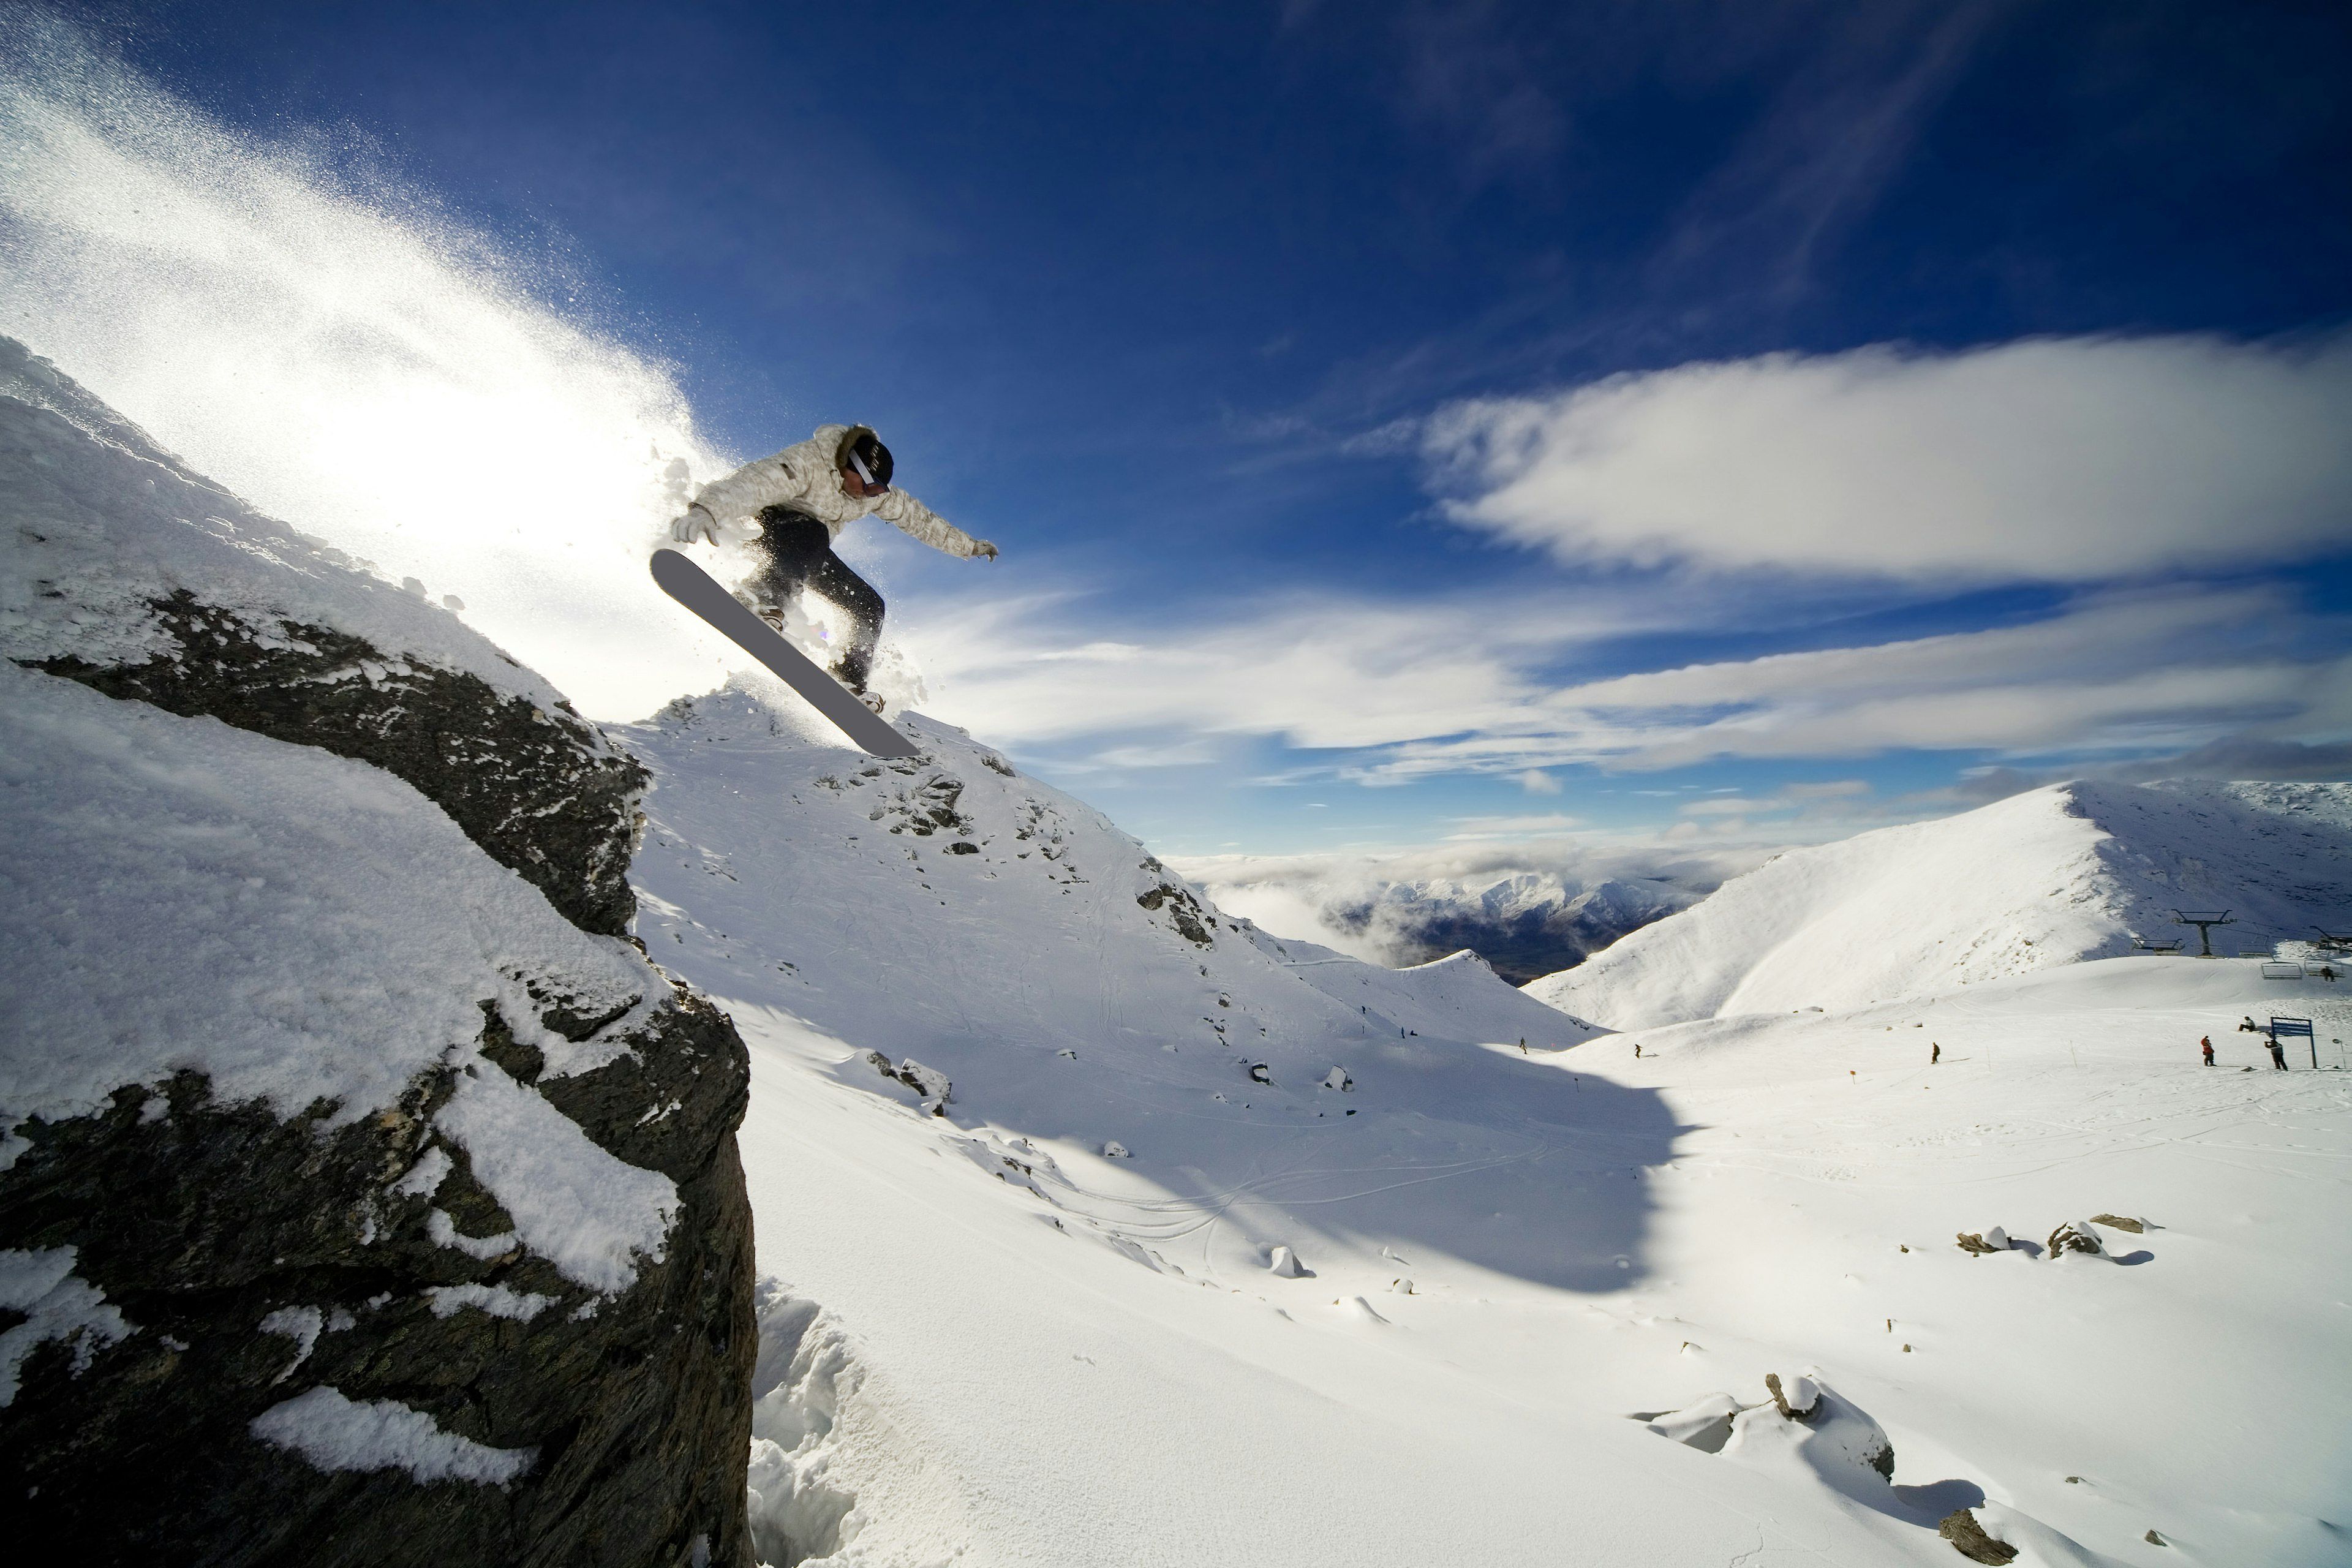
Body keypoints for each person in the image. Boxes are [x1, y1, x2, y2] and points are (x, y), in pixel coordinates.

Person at [669, 424, 997, 703]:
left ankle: (847, 679)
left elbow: (921, 521)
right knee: (811, 532)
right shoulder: (809, 461)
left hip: (806, 551)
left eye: (878, 490)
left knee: (869, 606)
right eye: (867, 486)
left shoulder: (875, 495)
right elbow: (755, 482)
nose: (870, 495)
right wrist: (707, 509)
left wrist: (969, 547)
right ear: (850, 467)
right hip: (763, 529)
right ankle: (760, 599)